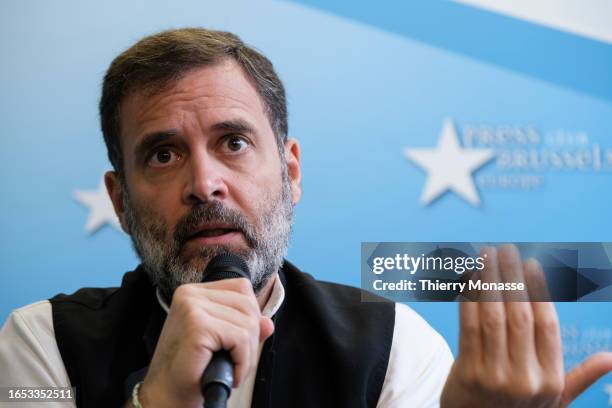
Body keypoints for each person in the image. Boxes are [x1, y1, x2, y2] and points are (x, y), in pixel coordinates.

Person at [0, 28, 610, 408]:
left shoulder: (395, 346)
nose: (205, 182)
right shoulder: (42, 345)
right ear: (120, 202)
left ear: (291, 172)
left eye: (233, 142)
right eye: (163, 154)